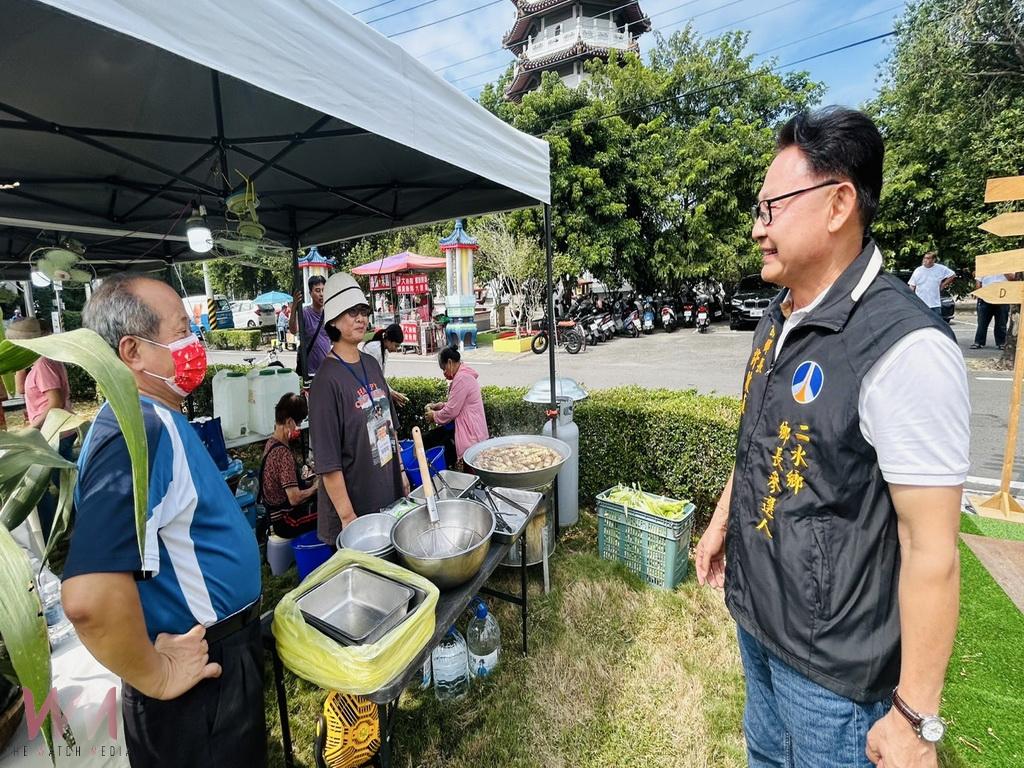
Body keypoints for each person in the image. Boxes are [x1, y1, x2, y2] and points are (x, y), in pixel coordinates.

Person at [694, 107, 969, 768]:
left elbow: (930, 546)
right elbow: (759, 438)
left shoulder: (905, 347)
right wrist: (723, 521)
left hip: (833, 678)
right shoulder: (779, 315)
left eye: (772, 208)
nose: (757, 228)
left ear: (839, 203)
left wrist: (914, 719)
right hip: (759, 624)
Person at [61, 274, 265, 768]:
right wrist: (156, 673)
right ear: (132, 351)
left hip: (213, 662)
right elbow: (88, 597)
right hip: (198, 682)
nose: (195, 343)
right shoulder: (138, 430)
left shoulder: (152, 419)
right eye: (181, 331)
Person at [308, 272, 410, 545]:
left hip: (388, 495)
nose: (361, 318)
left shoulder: (371, 364)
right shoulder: (325, 382)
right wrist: (348, 518)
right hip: (353, 511)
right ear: (333, 319)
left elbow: (390, 427)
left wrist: (400, 472)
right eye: (351, 312)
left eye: (363, 311)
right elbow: (328, 462)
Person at [9, 317, 74, 539]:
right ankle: (66, 529)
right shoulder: (38, 362)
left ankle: (55, 533)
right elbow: (21, 390)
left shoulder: (44, 363)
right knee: (63, 484)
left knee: (42, 487)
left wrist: (31, 429)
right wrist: (19, 365)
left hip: (52, 434)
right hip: (53, 432)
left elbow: (55, 402)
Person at [259, 393, 318, 539]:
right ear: (289, 421)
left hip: (274, 516)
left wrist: (309, 482)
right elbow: (294, 498)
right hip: (286, 521)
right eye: (298, 423)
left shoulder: (271, 443)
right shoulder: (282, 454)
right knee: (329, 513)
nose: (298, 427)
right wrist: (316, 487)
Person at [424, 345, 488, 468]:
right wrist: (440, 406)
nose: (444, 373)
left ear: (449, 362)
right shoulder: (464, 374)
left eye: (444, 369)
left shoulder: (461, 378)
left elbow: (451, 411)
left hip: (471, 434)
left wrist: (434, 416)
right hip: (475, 431)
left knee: (471, 469)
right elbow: (459, 404)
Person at [289, 274, 331, 377]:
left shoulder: (329, 313)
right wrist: (294, 307)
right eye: (317, 291)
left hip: (326, 370)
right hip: (309, 372)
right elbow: (293, 330)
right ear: (310, 293)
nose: (321, 294)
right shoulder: (305, 313)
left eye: (323, 290)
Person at [362, 323, 409, 406]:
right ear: (388, 340)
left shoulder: (384, 351)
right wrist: (390, 392)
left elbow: (379, 377)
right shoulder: (374, 349)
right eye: (396, 345)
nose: (396, 349)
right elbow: (375, 377)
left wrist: (391, 391)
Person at [972, 272, 1015, 349]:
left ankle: (1001, 343)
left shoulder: (1008, 267)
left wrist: (1003, 268)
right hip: (985, 297)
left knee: (1001, 322)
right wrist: (979, 293)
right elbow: (978, 280)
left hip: (1002, 297)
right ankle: (978, 342)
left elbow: (1012, 278)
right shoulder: (985, 266)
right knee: (982, 322)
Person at [909, 251, 956, 315]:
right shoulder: (918, 270)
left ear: (933, 260)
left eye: (928, 258)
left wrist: (943, 284)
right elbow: (912, 286)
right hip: (921, 304)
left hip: (935, 304)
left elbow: (952, 275)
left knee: (936, 321)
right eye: (924, 258)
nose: (925, 260)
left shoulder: (940, 268)